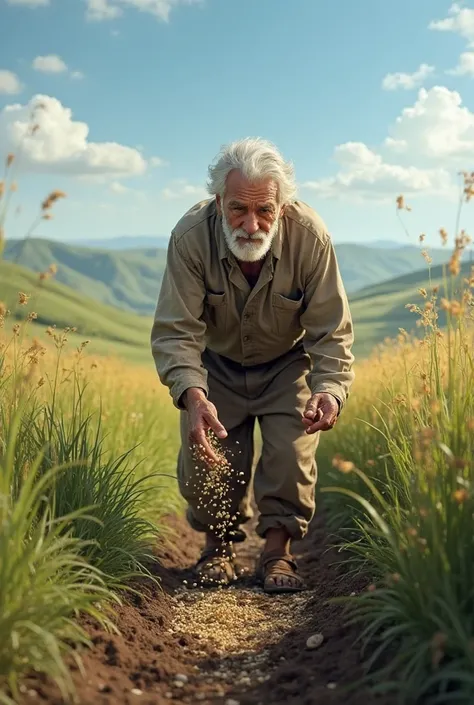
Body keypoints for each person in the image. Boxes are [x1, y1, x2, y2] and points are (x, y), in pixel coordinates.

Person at [150, 137, 355, 594]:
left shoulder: (312, 237)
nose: (251, 224)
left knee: (290, 453)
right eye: (238, 209)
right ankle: (217, 548)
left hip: (287, 364)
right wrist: (192, 393)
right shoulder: (189, 237)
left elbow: (331, 330)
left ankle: (277, 553)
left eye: (264, 210)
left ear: (283, 206)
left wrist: (330, 389)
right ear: (219, 201)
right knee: (208, 456)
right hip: (215, 365)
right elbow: (176, 330)